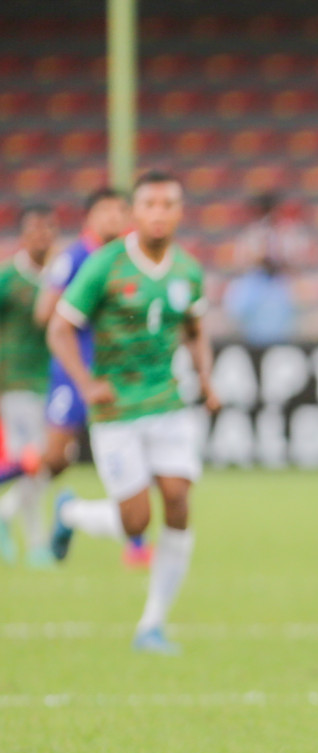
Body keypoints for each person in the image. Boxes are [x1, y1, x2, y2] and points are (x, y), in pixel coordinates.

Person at [47, 170, 221, 654]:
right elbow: (59, 328)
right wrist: (85, 382)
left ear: (180, 212)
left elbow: (195, 328)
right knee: (136, 521)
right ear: (135, 213)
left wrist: (205, 379)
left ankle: (153, 623)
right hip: (117, 409)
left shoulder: (187, 269)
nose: (160, 213)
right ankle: (73, 514)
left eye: (169, 204)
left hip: (168, 402)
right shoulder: (106, 265)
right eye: (150, 204)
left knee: (179, 500)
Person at [32, 188, 149, 568]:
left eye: (121, 210)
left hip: (116, 374)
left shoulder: (133, 258)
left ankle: (135, 544)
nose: (114, 218)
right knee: (55, 457)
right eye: (106, 211)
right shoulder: (77, 257)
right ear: (90, 217)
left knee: (135, 455)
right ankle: (10, 503)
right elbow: (46, 314)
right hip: (74, 373)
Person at [0, 204, 57, 566]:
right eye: (34, 229)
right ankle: (37, 542)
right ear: (23, 235)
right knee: (36, 462)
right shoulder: (9, 279)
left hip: (50, 381)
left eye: (46, 228)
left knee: (40, 464)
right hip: (16, 381)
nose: (41, 235)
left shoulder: (57, 277)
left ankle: (6, 517)